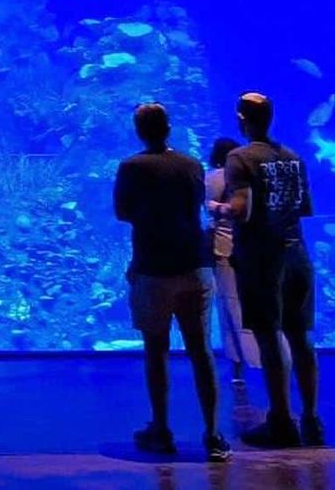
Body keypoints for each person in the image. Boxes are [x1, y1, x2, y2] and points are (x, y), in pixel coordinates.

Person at [114, 103, 230, 462]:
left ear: (139, 131)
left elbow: (122, 212)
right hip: (195, 266)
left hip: (152, 267)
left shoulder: (132, 167)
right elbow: (196, 206)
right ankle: (213, 434)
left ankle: (161, 429)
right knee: (200, 350)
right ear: (169, 128)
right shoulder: (193, 165)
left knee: (156, 350)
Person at [223, 92, 322, 448]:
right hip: (297, 255)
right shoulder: (293, 158)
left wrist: (219, 208)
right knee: (301, 338)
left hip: (263, 261)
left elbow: (243, 209)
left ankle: (281, 420)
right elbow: (303, 209)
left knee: (269, 338)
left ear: (241, 119)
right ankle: (311, 418)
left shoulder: (240, 158)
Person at [205, 137, 260, 381]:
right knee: (254, 305)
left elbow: (205, 206)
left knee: (230, 307)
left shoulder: (214, 177)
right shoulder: (254, 176)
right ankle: (264, 360)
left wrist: (213, 206)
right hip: (253, 248)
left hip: (224, 249)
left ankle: (241, 365)